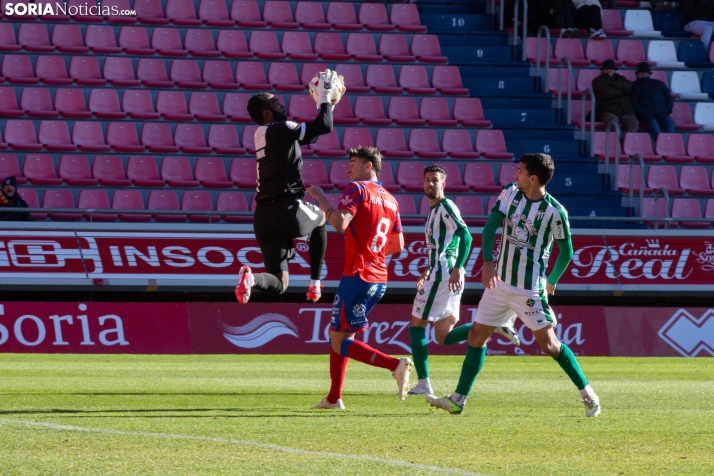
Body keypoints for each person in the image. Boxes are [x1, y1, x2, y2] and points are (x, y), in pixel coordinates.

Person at [426, 153, 601, 418]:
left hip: (529, 289)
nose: (514, 175)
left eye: (519, 171)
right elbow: (490, 228)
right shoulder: (510, 194)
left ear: (533, 178)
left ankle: (589, 395)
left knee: (549, 345)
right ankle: (458, 399)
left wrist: (551, 280)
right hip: (499, 284)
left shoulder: (554, 212)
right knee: (475, 336)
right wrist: (487, 262)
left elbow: (566, 251)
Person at [307, 147, 412, 409]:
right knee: (340, 336)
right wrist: (373, 251)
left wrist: (321, 198)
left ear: (368, 166)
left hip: (358, 274)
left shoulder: (358, 189)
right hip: (379, 278)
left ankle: (395, 365)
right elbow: (398, 244)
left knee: (339, 340)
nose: (348, 169)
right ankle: (334, 398)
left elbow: (340, 223)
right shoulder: (391, 199)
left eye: (353, 163)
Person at [408, 166, 521, 397]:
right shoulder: (433, 211)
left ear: (443, 185)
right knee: (443, 337)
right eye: (427, 180)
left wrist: (458, 267)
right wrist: (427, 270)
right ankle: (496, 326)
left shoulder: (445, 207)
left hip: (445, 273)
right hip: (440, 272)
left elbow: (466, 235)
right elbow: (444, 245)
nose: (430, 184)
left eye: (435, 180)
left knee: (416, 325)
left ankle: (423, 384)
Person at [235, 71, 344, 305]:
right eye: (275, 102)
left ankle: (252, 280)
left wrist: (329, 105)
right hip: (287, 209)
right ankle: (315, 283)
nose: (280, 104)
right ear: (266, 113)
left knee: (279, 283)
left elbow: (314, 133)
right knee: (321, 221)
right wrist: (324, 97)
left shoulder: (265, 134)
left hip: (263, 218)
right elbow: (324, 126)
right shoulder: (280, 129)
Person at [630, 62, 675, 140]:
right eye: (641, 72)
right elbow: (634, 102)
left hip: (662, 114)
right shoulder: (634, 86)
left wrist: (667, 109)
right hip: (647, 116)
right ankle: (662, 145)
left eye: (645, 72)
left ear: (649, 73)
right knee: (655, 127)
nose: (644, 74)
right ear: (637, 74)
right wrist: (643, 113)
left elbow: (668, 97)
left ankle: (668, 142)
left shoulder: (659, 84)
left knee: (671, 123)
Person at [592, 59, 639, 133]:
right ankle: (616, 143)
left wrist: (614, 84)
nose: (609, 70)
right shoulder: (597, 81)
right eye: (606, 68)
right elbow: (607, 93)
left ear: (614, 69)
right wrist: (622, 91)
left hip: (625, 110)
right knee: (613, 123)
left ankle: (627, 142)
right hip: (608, 110)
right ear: (602, 70)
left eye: (611, 68)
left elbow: (629, 87)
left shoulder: (620, 78)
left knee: (634, 122)